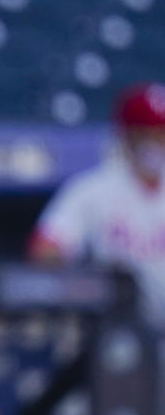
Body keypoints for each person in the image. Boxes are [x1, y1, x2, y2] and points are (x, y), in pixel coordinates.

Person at [27, 82, 165, 330]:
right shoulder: (93, 189)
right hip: (121, 329)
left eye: (162, 133)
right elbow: (45, 247)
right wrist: (87, 280)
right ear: (126, 135)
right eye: (146, 133)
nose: (156, 143)